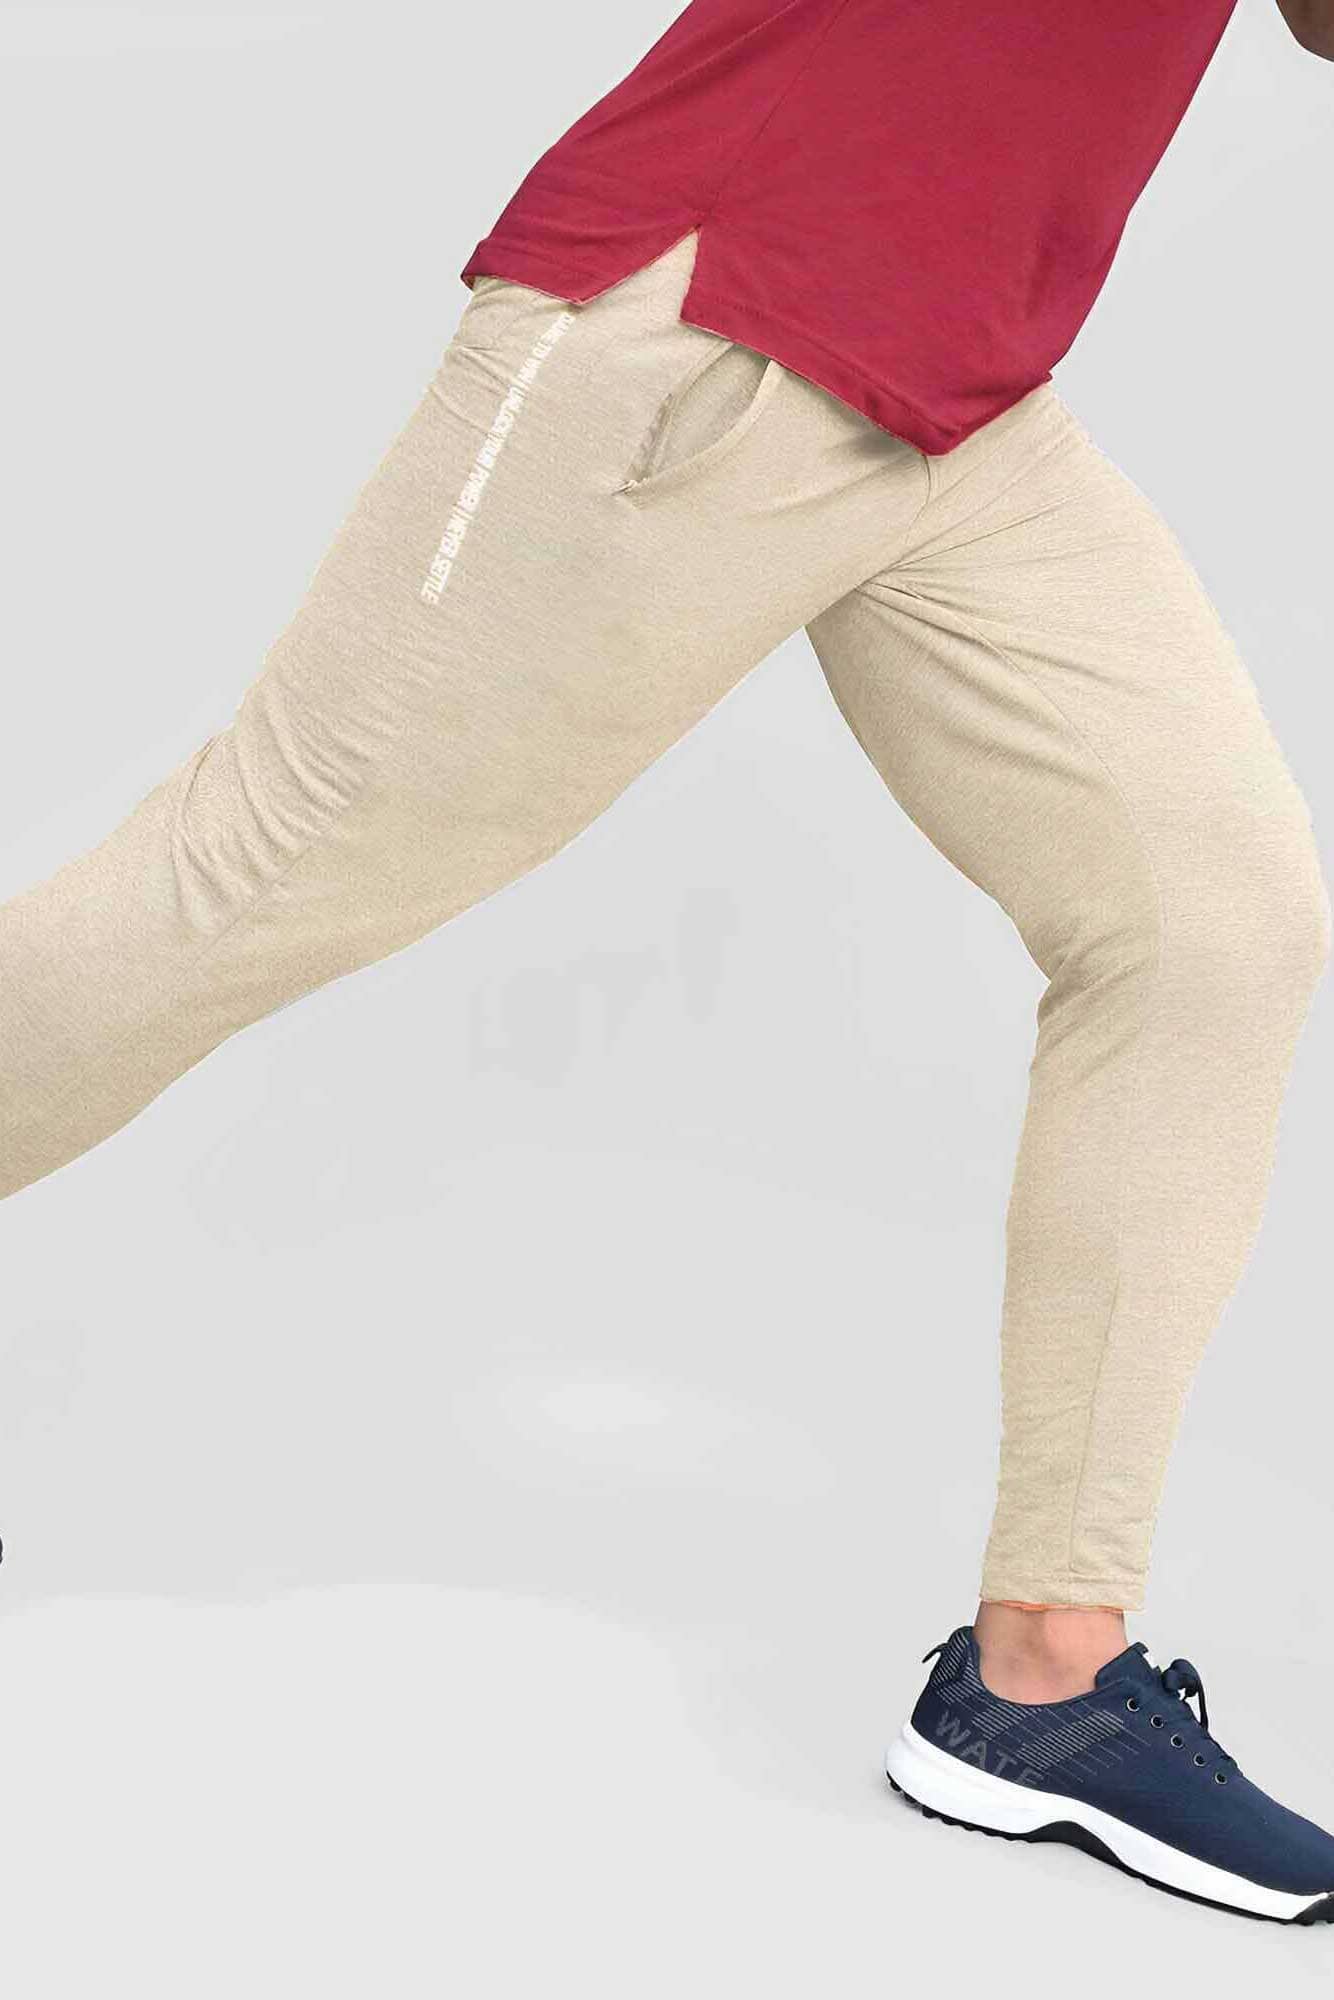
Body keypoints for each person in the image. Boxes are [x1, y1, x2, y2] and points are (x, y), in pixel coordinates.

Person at [2, 0, 1332, 1922]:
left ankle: (1043, 1679)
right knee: (257, 871)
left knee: (1210, 925)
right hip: (710, 319)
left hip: (958, 386)